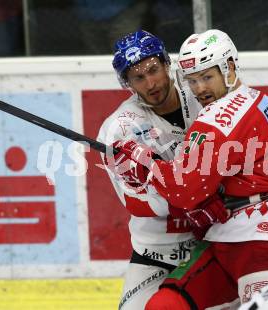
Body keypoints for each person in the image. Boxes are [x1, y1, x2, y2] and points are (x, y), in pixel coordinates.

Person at [106, 29, 268, 308]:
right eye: (193, 80)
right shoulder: (264, 100)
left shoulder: (213, 117)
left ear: (229, 67)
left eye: (206, 77)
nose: (200, 88)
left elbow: (186, 189)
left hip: (262, 243)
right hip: (210, 242)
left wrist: (146, 163)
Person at [97, 30, 204, 309]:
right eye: (138, 77)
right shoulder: (120, 129)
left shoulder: (201, 94)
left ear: (167, 63)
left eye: (153, 70)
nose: (151, 83)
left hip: (212, 241)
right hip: (156, 252)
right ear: (128, 83)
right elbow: (139, 204)